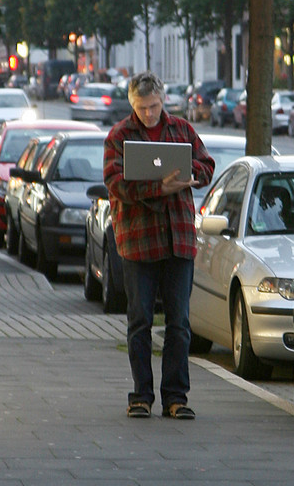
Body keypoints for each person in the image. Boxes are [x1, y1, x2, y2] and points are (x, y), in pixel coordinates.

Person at [104, 70, 215, 420]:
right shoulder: (119, 136)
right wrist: (158, 189)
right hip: (138, 242)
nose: (149, 114)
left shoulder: (182, 130)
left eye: (153, 106)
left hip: (178, 239)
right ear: (131, 103)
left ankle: (175, 397)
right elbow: (115, 182)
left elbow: (208, 166)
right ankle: (141, 396)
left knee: (179, 324)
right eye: (142, 107)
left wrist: (189, 173)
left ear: (163, 99)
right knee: (140, 322)